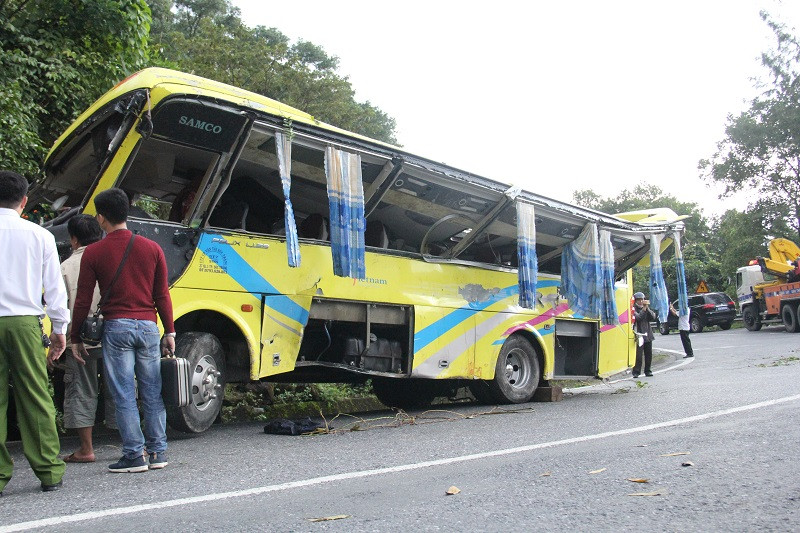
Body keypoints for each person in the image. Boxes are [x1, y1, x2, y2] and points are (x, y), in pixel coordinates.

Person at [69, 188, 175, 473]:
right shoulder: (153, 249)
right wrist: (170, 331)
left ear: (101, 218)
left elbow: (82, 298)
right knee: (152, 391)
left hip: (116, 328)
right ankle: (158, 452)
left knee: (125, 393)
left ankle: (133, 455)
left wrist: (75, 335)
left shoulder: (94, 252)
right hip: (149, 328)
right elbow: (162, 294)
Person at [0, 170, 69, 494]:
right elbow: (54, 288)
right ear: (24, 201)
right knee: (35, 394)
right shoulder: (38, 235)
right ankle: (49, 472)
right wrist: (59, 329)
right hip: (26, 321)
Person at [60, 214, 117, 463]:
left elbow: (58, 308)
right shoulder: (113, 257)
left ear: (73, 240)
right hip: (115, 334)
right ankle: (130, 444)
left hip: (80, 338)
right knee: (120, 387)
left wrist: (59, 341)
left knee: (81, 389)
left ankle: (86, 449)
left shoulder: (65, 267)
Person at [632, 292, 656, 378]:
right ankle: (636, 371)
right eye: (639, 300)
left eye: (642, 299)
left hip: (648, 334)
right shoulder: (633, 309)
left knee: (648, 354)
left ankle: (648, 370)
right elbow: (638, 318)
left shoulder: (646, 308)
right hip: (639, 334)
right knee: (638, 355)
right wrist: (643, 310)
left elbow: (653, 317)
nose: (641, 301)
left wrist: (647, 308)